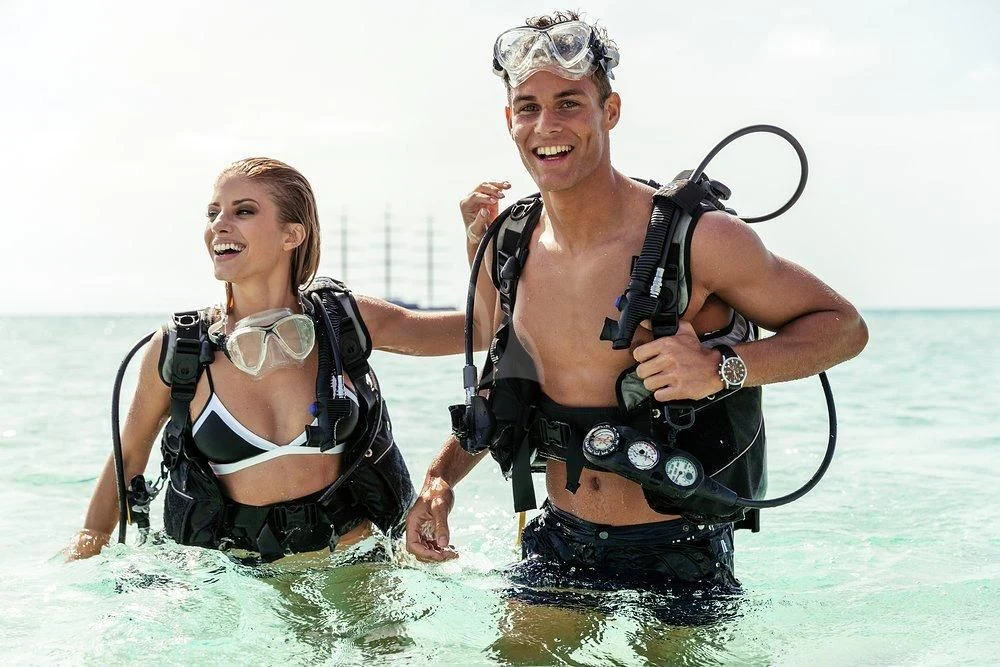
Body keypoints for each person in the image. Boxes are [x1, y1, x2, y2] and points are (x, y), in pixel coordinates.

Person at [405, 12, 868, 595]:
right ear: (509, 120)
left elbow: (845, 328)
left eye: (570, 102)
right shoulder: (508, 243)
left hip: (682, 546)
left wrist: (722, 369)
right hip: (559, 537)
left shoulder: (700, 238)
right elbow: (502, 386)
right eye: (528, 106)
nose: (546, 123)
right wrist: (438, 481)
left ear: (611, 111)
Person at [68, 157, 466, 562]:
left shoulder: (347, 321)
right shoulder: (179, 351)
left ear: (292, 234)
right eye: (213, 213)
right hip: (239, 590)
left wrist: (478, 243)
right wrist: (83, 555)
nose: (219, 224)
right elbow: (129, 458)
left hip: (358, 570)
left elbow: (487, 330)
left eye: (243, 211)